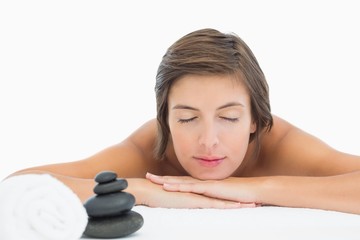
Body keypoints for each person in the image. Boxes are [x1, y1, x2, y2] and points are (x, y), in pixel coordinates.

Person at [7, 28, 360, 214]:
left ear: (255, 119)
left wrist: (258, 187)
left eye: (230, 117)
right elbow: (16, 187)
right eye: (188, 118)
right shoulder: (149, 150)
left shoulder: (279, 143)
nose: (209, 140)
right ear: (165, 120)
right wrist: (144, 192)